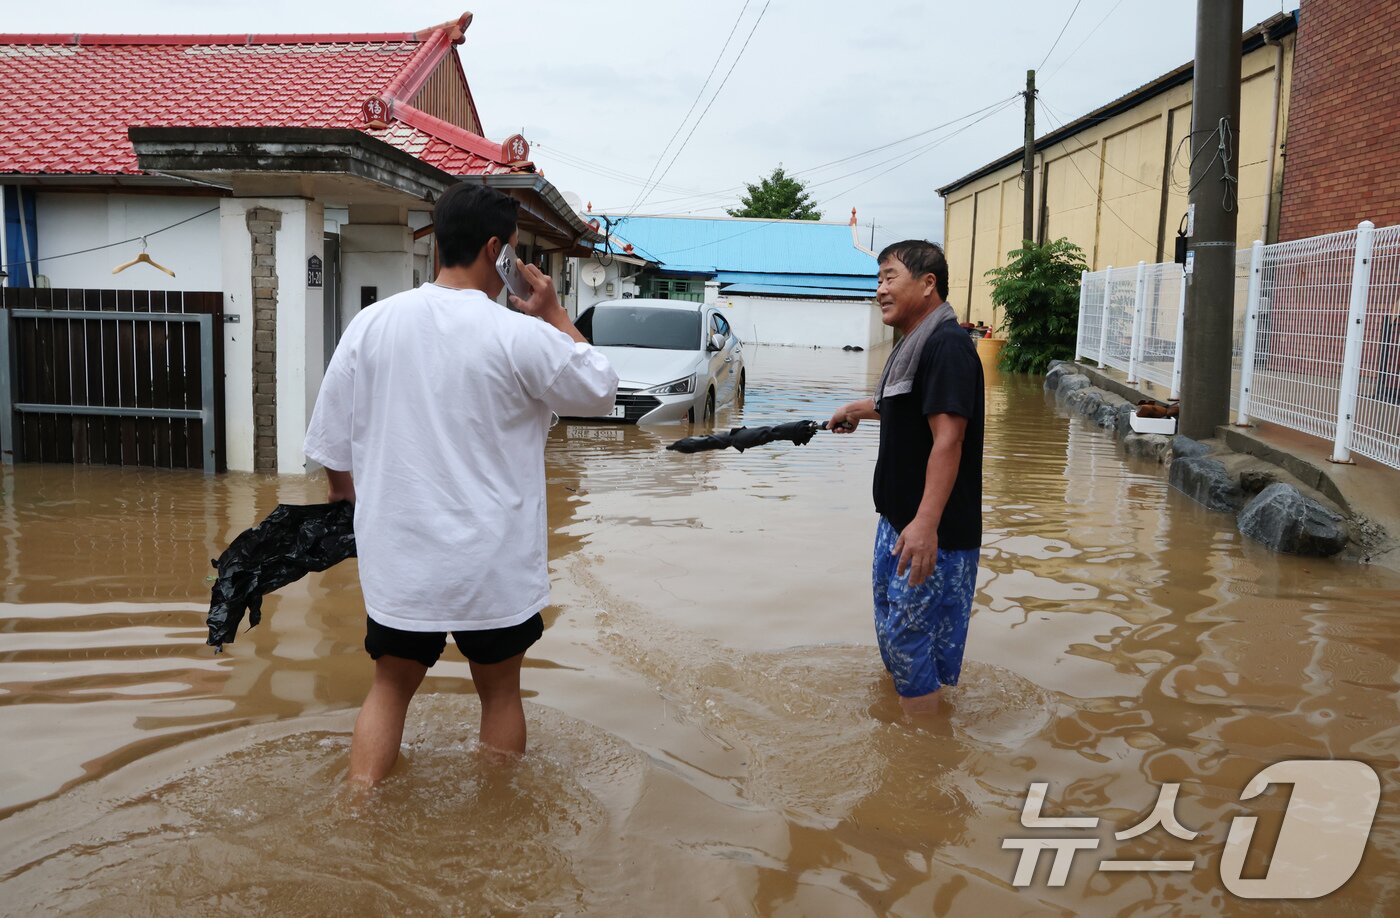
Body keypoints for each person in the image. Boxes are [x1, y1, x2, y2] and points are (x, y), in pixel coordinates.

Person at [303, 182, 618, 785]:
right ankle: (497, 817)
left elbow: (330, 445)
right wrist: (554, 313)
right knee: (500, 694)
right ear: (496, 249)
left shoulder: (371, 324)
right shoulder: (521, 335)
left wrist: (344, 498)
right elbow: (602, 389)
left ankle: (360, 807)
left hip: (402, 557)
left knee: (390, 687)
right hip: (492, 562)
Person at [827, 240, 984, 716]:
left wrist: (924, 524)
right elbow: (912, 408)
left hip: (929, 533)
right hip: (899, 524)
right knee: (896, 633)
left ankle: (924, 758)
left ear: (928, 283)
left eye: (890, 277)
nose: (880, 290)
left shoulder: (946, 346)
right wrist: (860, 409)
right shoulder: (914, 344)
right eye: (878, 280)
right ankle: (913, 720)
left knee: (909, 638)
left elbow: (948, 439)